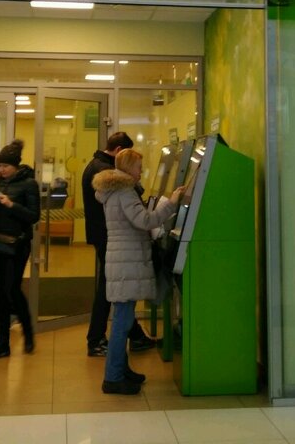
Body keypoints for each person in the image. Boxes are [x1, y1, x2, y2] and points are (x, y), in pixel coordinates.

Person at [93, 149, 183, 394]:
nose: (141, 172)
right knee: (122, 322)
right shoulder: (125, 191)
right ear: (128, 167)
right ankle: (113, 378)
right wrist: (171, 204)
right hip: (127, 260)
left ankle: (122, 370)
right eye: (138, 167)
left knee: (123, 319)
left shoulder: (114, 190)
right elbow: (144, 221)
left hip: (123, 259)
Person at [82, 131, 158, 357]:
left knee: (115, 289)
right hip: (112, 237)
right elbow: (134, 206)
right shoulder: (105, 171)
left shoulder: (95, 165)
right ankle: (96, 339)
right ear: (118, 151)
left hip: (106, 235)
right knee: (111, 290)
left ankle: (135, 336)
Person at [0, 139, 40, 359]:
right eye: (0, 166)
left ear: (15, 165)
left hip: (18, 243)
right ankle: (2, 343)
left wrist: (10, 204)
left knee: (12, 289)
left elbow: (33, 216)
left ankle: (28, 331)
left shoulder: (29, 184)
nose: (2, 170)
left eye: (5, 166)